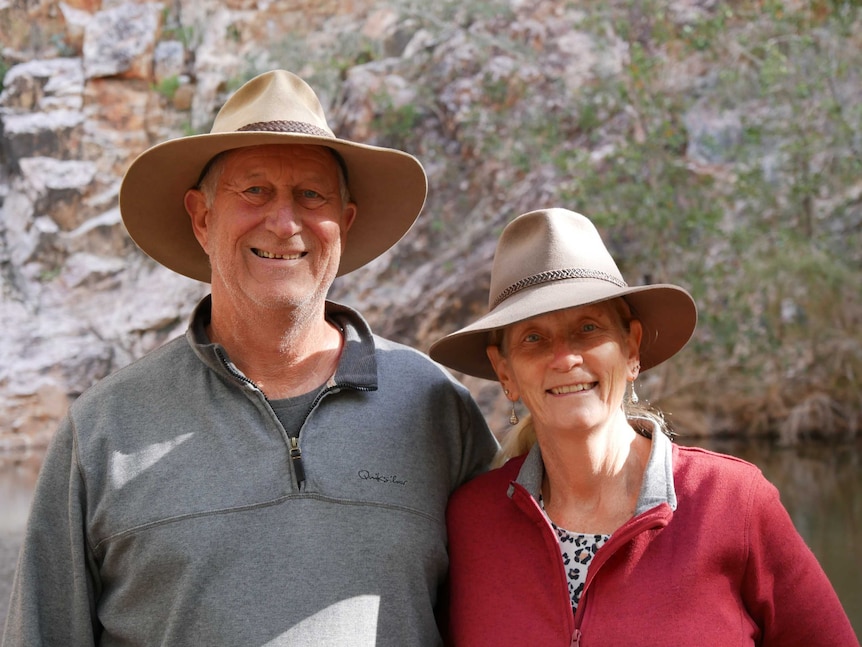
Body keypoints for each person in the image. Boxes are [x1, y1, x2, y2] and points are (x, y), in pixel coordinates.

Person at [2, 70, 498, 647]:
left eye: (311, 195)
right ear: (203, 218)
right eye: (254, 191)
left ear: (346, 221)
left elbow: (517, 598)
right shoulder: (102, 432)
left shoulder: (434, 408)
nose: (284, 223)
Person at [429, 208, 858, 646]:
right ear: (505, 372)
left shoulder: (732, 502)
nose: (566, 358)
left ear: (632, 349)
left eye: (588, 328)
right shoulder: (469, 523)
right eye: (533, 338)